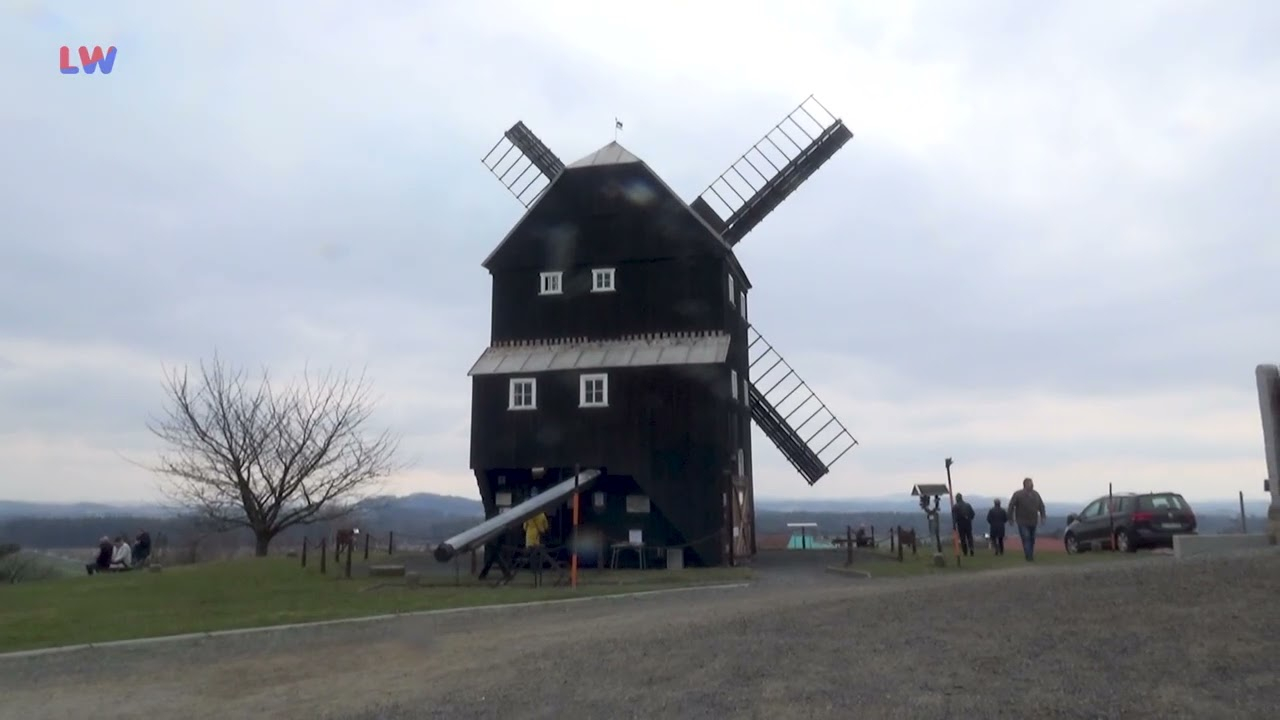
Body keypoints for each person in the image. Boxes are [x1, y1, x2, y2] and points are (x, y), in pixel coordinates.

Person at [1008, 477, 1047, 561]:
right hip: (1022, 521)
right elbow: (1011, 506)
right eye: (1030, 483)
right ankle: (1028, 556)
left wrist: (1043, 516)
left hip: (1033, 521)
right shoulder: (1018, 494)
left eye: (1032, 483)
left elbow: (1041, 506)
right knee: (1026, 537)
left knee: (1032, 539)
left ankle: (1030, 553)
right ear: (1025, 484)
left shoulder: (1036, 494)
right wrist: (1010, 518)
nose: (1032, 485)